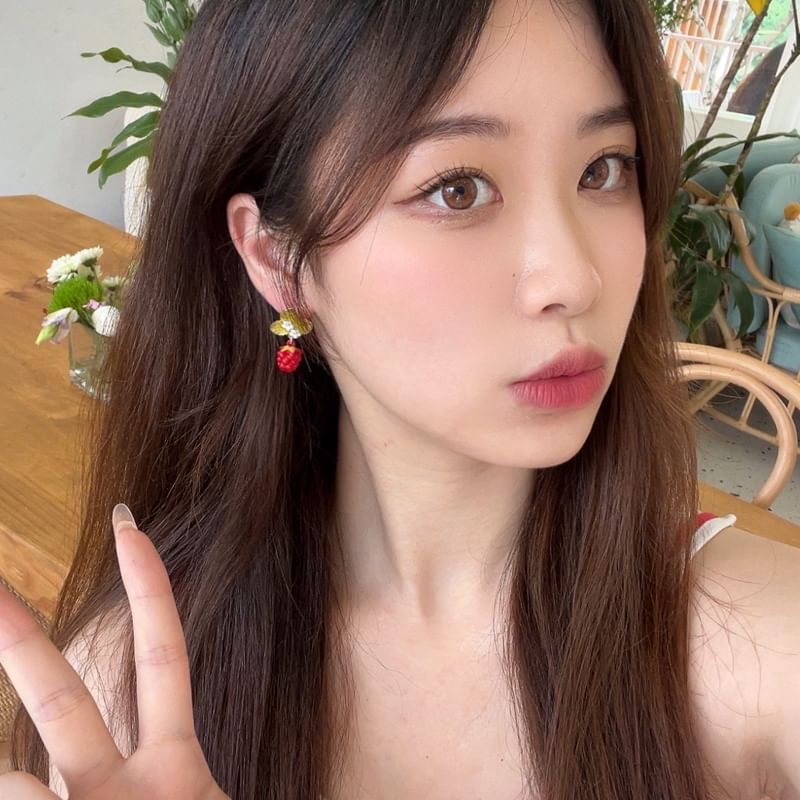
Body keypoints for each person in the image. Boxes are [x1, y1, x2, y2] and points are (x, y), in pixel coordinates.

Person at [2, 0, 799, 798]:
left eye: (603, 169)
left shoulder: (760, 651)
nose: (573, 277)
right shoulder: (133, 698)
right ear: (276, 258)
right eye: (458, 189)